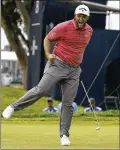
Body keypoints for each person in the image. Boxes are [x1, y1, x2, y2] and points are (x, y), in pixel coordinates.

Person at [2, 4, 93, 146]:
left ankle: (64, 135)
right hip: (57, 64)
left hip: (74, 70)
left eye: (84, 16)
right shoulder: (63, 27)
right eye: (79, 15)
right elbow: (47, 39)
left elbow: (79, 47)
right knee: (41, 90)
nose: (81, 18)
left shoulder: (89, 31)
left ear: (87, 17)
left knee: (68, 104)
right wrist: (48, 54)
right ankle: (14, 106)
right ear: (75, 15)